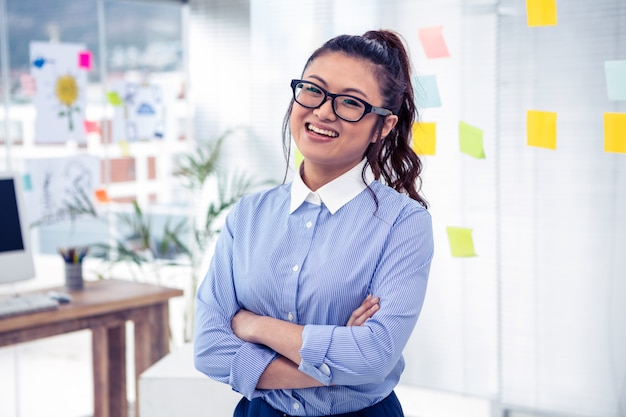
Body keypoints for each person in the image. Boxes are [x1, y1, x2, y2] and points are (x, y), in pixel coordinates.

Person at [194, 29, 434, 417]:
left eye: (351, 103)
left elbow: (374, 357)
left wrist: (254, 326)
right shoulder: (248, 215)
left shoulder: (403, 224)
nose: (323, 111)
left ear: (383, 126)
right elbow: (209, 348)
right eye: (313, 91)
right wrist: (339, 361)